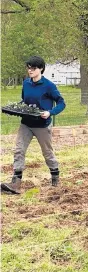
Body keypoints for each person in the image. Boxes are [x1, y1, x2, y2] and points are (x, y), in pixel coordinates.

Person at [1, 56, 66, 194]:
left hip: (42, 125)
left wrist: (50, 112)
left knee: (47, 152)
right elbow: (24, 101)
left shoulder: (49, 86)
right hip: (26, 123)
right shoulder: (26, 83)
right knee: (19, 150)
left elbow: (61, 103)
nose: (30, 70)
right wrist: (14, 108)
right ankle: (15, 184)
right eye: (28, 68)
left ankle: (55, 177)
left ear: (41, 69)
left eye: (33, 68)